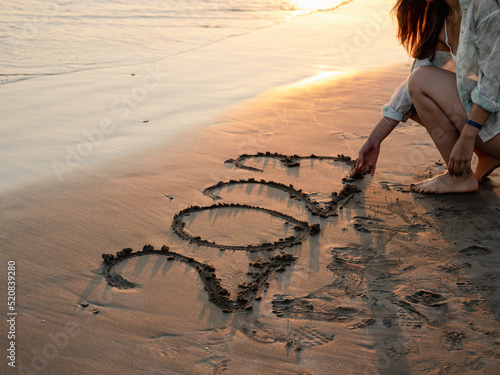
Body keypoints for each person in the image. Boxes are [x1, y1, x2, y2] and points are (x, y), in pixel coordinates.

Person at [354, 0, 500, 193]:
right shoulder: (442, 15)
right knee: (415, 98)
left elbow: (493, 80)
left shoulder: (484, 6)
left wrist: (468, 136)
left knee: (421, 82)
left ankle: (459, 178)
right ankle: (487, 154)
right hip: (492, 129)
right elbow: (415, 82)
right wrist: (375, 139)